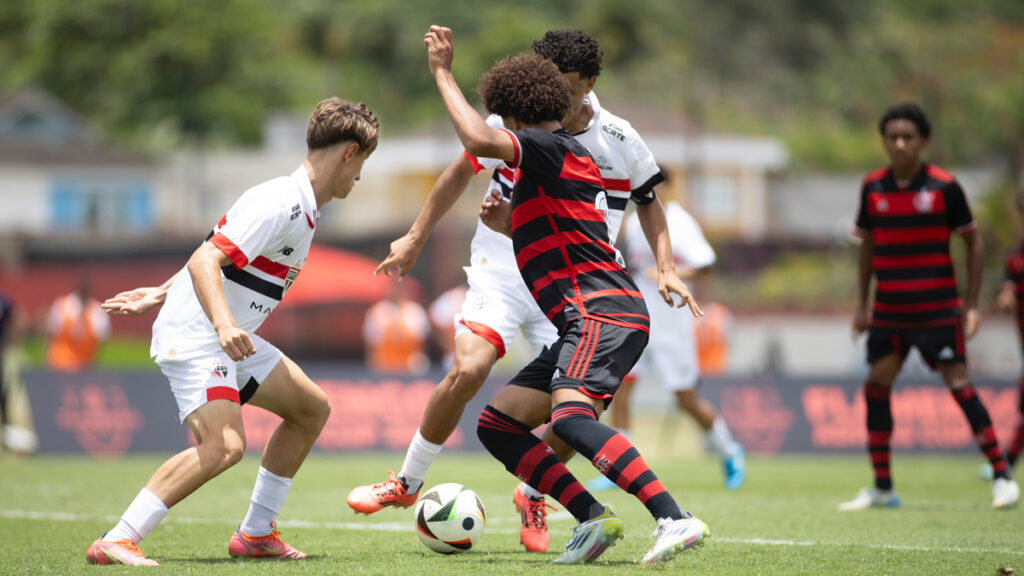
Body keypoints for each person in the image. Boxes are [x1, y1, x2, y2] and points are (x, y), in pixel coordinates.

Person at [346, 28, 678, 554]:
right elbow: (491, 181)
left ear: (587, 85)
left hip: (586, 297)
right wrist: (440, 233)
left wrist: (440, 72)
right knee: (491, 405)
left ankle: (657, 515)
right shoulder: (546, 143)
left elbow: (643, 199)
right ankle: (419, 484)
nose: (565, 99)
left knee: (570, 415)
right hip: (531, 270)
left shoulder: (583, 141)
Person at [431, 26, 709, 565]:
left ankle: (673, 518)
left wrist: (442, 72)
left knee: (571, 420)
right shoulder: (564, 158)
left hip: (599, 312)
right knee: (498, 423)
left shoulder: (543, 146)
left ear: (513, 117)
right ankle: (592, 518)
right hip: (595, 316)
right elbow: (559, 238)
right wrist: (510, 223)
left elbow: (477, 142)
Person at [86, 97, 379, 566]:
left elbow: (215, 252)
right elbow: (206, 260)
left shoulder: (303, 207)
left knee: (310, 409)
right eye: (362, 161)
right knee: (224, 447)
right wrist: (222, 325)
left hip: (224, 334)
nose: (361, 175)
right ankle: (117, 538)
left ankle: (256, 534)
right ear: (348, 153)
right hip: (202, 334)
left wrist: (159, 292)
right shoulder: (281, 202)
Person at [840, 102, 1019, 511]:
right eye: (892, 137)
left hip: (937, 310)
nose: (899, 144)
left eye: (908, 137)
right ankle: (883, 488)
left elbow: (972, 241)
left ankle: (1003, 477)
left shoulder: (944, 187)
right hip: (889, 311)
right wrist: (861, 306)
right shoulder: (873, 187)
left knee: (960, 386)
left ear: (923, 141)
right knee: (875, 387)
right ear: (884, 141)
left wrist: (971, 306)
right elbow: (866, 245)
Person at [586, 199, 744, 492]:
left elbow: (706, 265)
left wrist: (669, 273)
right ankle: (619, 469)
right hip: (638, 319)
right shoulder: (633, 222)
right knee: (620, 391)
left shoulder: (679, 221)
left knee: (685, 400)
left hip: (673, 327)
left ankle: (729, 451)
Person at [362, 278, 430, 374]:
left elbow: (422, 343)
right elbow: (370, 344)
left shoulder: (415, 311)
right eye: (395, 288)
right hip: (383, 368)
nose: (397, 291)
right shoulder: (377, 311)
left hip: (409, 369)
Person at [47, 277, 110, 372]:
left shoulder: (97, 311)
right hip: (59, 366)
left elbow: (101, 341)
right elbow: (50, 334)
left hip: (84, 369)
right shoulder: (62, 305)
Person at [428, 284, 468, 369]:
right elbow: (433, 319)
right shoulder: (452, 297)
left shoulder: (485, 298)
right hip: (454, 357)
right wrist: (445, 343)